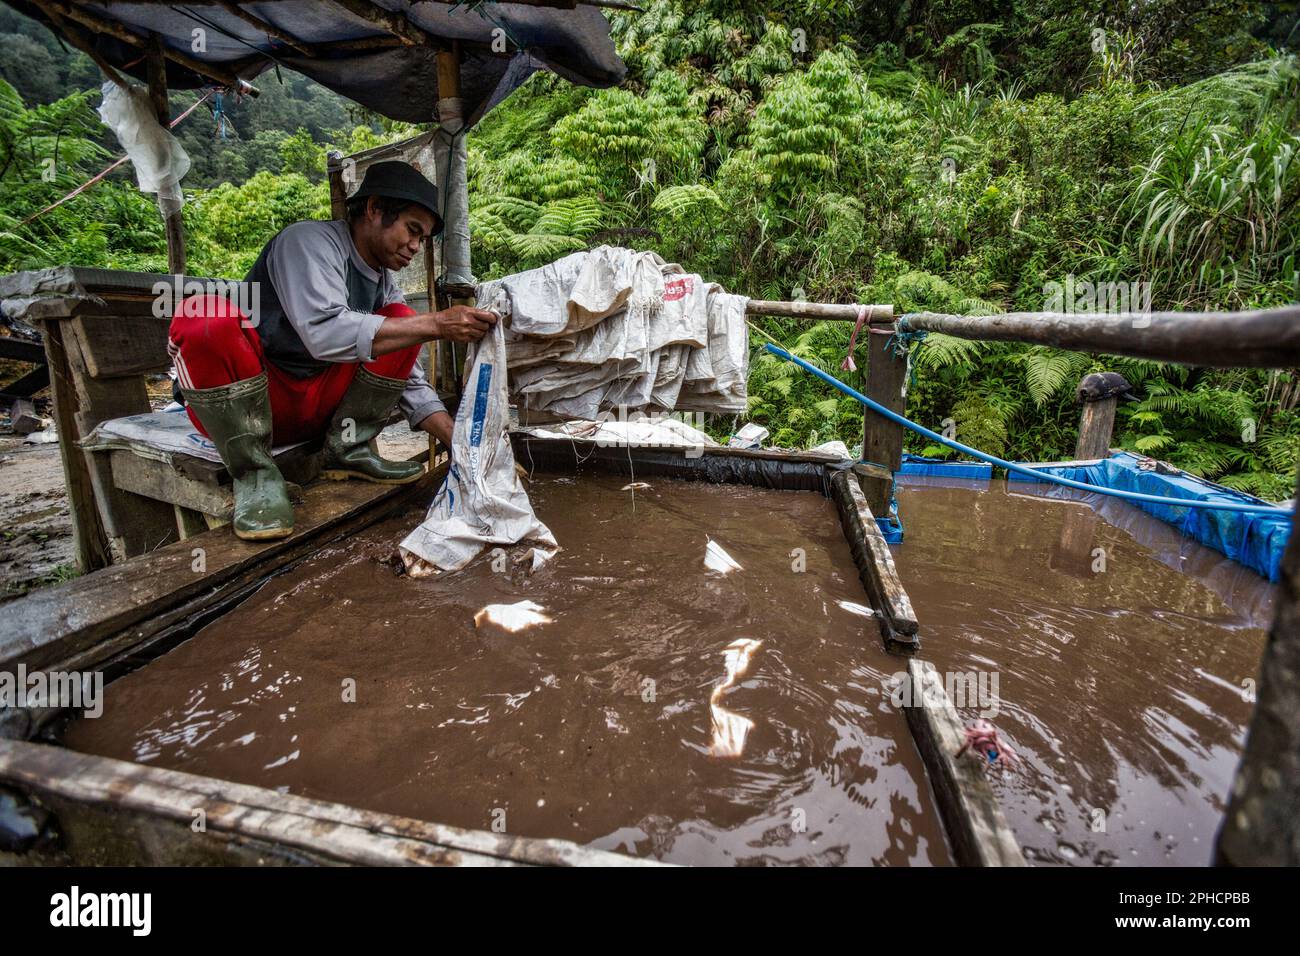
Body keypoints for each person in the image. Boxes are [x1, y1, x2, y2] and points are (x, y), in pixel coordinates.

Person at [167, 160, 497, 541]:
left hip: (313, 409)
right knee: (205, 314)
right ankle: (254, 474)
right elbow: (323, 333)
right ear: (374, 210)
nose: (414, 246)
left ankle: (349, 449)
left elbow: (408, 378)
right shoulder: (306, 242)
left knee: (402, 319)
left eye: (422, 239)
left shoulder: (383, 284)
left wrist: (458, 444)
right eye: (412, 230)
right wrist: (437, 324)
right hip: (251, 409)